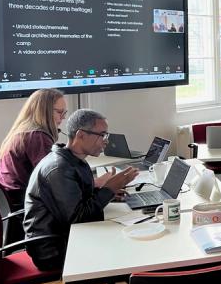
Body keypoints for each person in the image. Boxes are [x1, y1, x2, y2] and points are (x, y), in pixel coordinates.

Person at [23, 109, 138, 271]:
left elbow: (80, 201)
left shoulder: (73, 160)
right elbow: (79, 219)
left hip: (65, 237)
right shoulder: (59, 169)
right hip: (53, 250)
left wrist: (108, 194)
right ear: (81, 135)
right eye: (102, 135)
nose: (106, 141)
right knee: (128, 246)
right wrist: (109, 189)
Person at [0, 89, 67, 241]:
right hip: (32, 209)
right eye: (59, 112)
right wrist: (94, 185)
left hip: (19, 203)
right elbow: (52, 181)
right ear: (44, 111)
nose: (63, 117)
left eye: (64, 112)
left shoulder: (23, 131)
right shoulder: (37, 136)